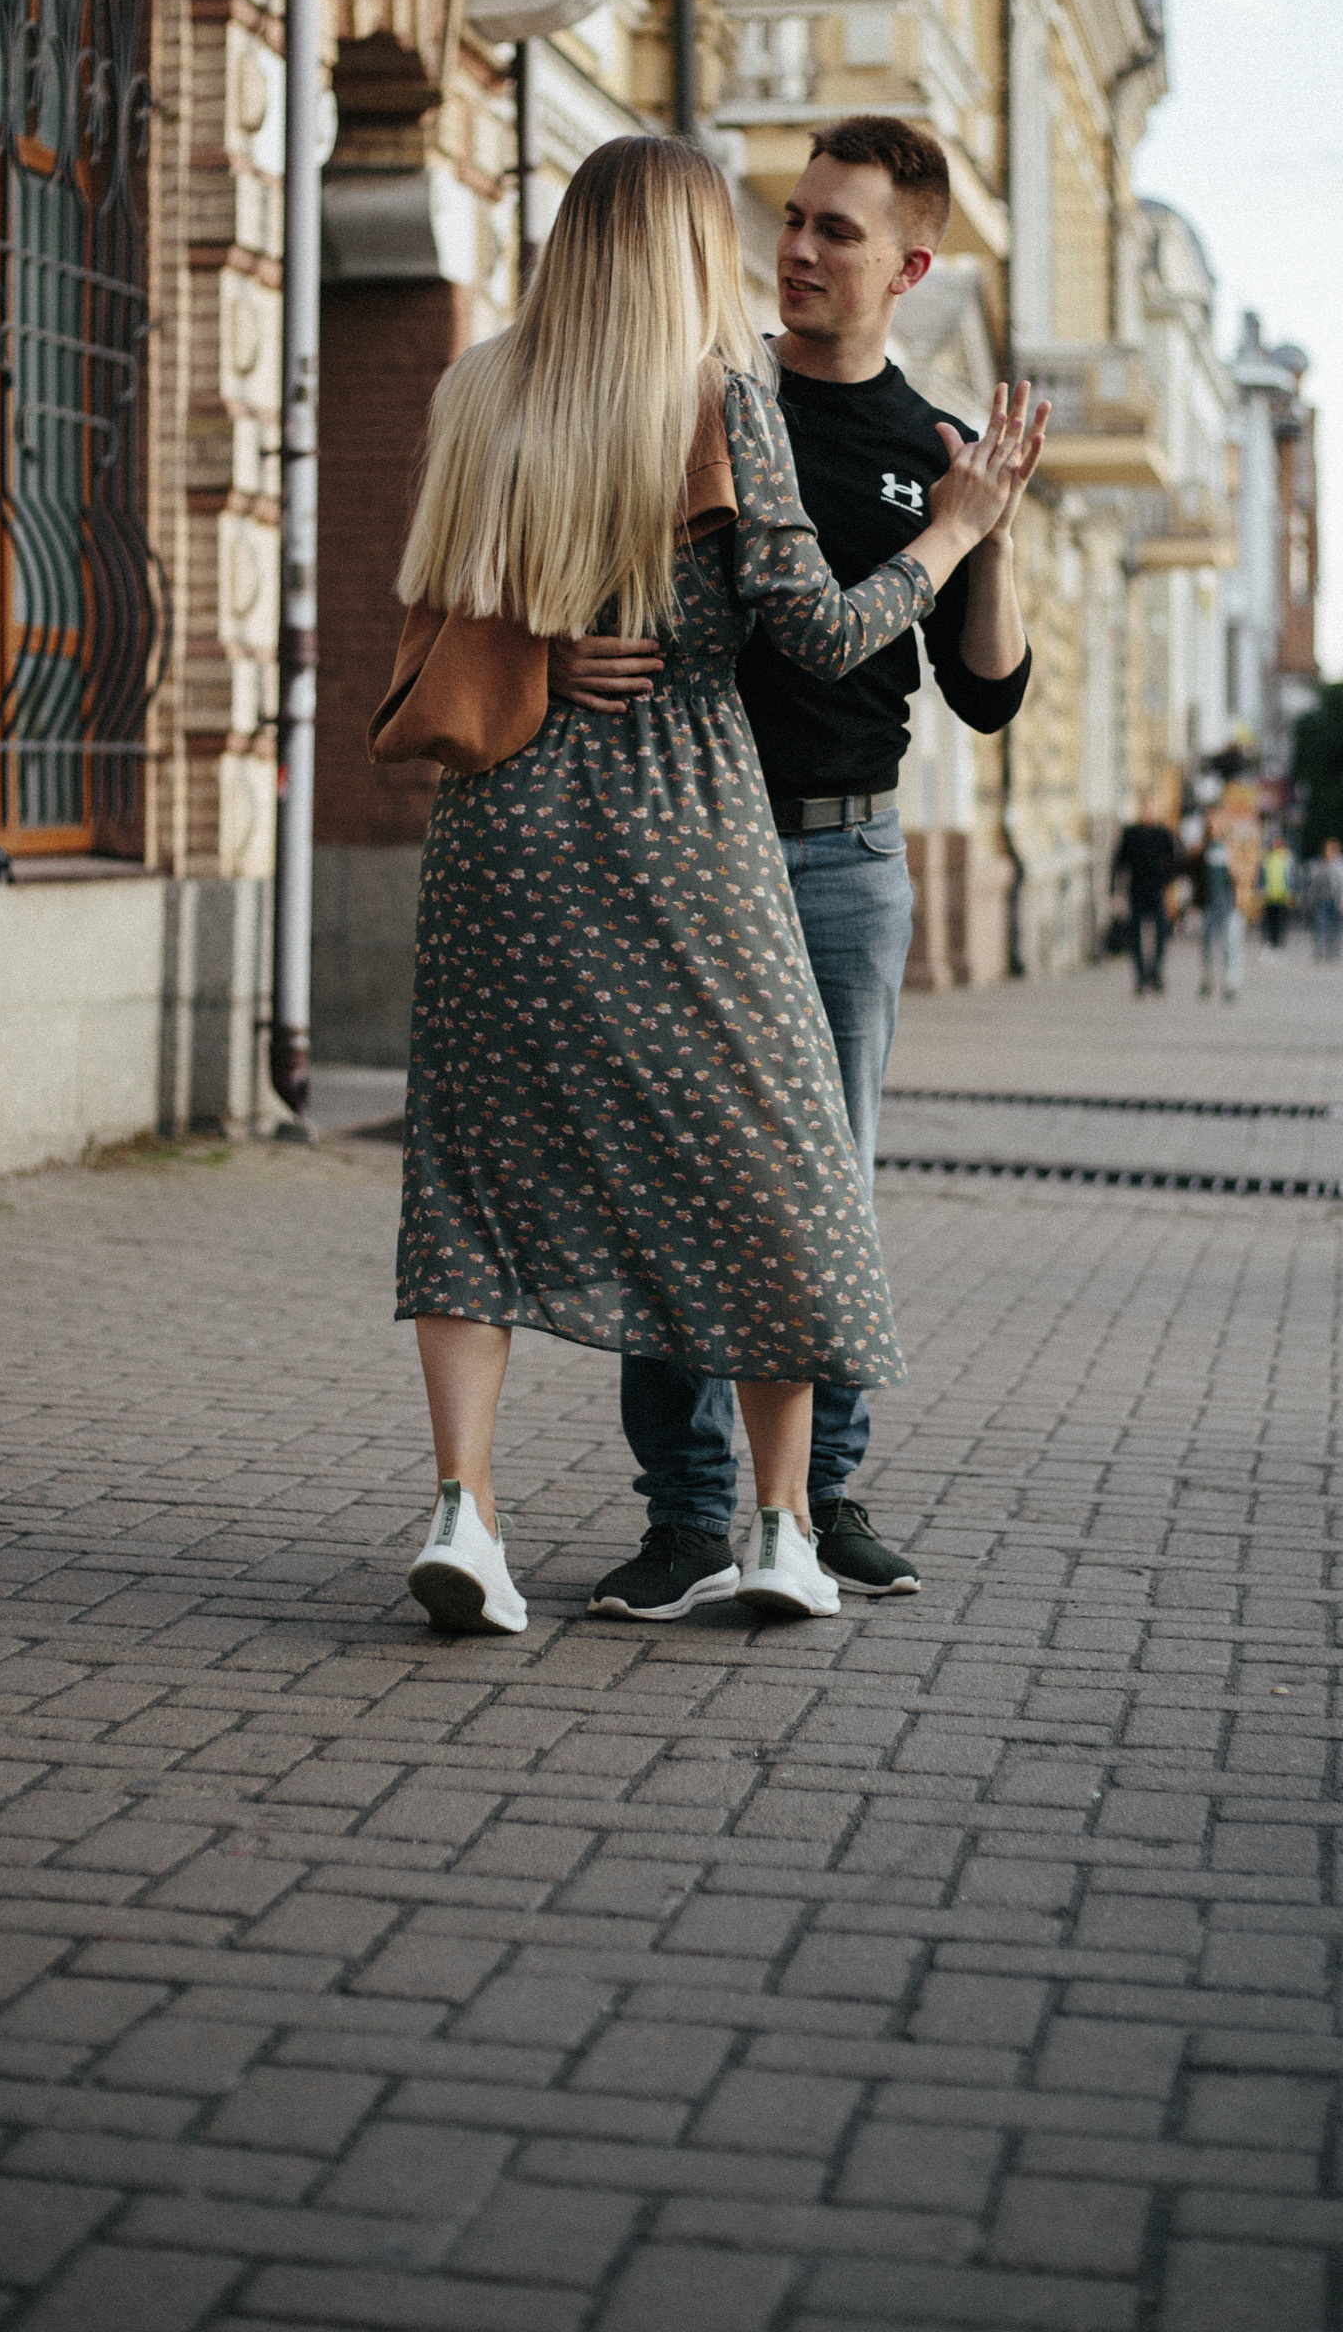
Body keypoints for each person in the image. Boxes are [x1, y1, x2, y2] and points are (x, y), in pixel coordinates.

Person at [387, 136, 1039, 1637]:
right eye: (763, 226)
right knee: (778, 1173)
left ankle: (466, 1513)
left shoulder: (476, 390)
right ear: (693, 247)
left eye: (824, 230)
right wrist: (956, 530)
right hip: (686, 832)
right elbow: (818, 634)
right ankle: (775, 1525)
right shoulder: (724, 396)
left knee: (473, 1176)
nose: (783, 251)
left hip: (499, 834)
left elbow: (430, 609)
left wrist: (539, 658)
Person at [1111, 807, 1179, 994]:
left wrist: (1166, 881)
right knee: (1135, 936)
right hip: (1136, 891)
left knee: (1161, 933)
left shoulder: (1162, 833)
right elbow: (1119, 862)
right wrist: (1114, 890)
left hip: (1156, 890)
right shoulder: (1131, 833)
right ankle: (1141, 977)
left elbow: (1173, 859)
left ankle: (1155, 973)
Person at [1192, 813, 1244, 1002]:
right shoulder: (1202, 849)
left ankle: (1231, 983)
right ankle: (1208, 979)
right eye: (1211, 825)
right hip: (1208, 903)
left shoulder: (1230, 847)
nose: (1214, 828)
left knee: (1230, 944)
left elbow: (1241, 874)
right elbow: (1195, 875)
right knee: (1207, 944)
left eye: (1217, 824)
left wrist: (1238, 875)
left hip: (1228, 903)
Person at [1307, 835, 1343, 961]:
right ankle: (1319, 951)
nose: (1330, 850)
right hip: (1321, 899)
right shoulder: (1318, 863)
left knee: (1336, 927)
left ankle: (1334, 952)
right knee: (1320, 925)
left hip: (1339, 900)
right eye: (1328, 848)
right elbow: (1312, 882)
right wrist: (1309, 899)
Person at [1260, 835, 1295, 954]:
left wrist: (1291, 893)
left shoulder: (1288, 858)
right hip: (1269, 894)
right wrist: (1261, 890)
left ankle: (1279, 944)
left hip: (1283, 895)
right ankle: (1270, 943)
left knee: (1281, 922)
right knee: (1269, 921)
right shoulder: (1267, 858)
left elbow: (1291, 877)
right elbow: (1262, 875)